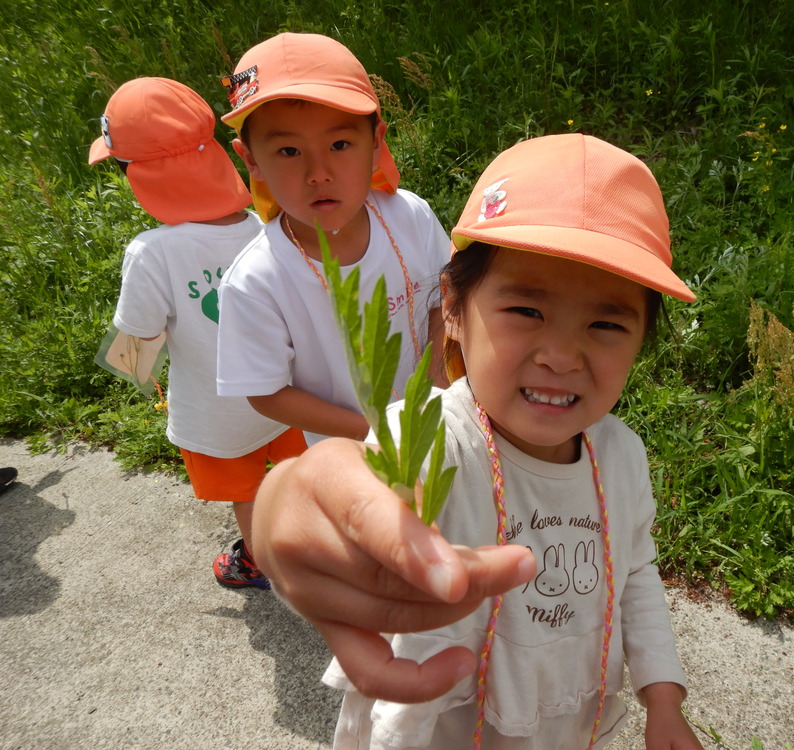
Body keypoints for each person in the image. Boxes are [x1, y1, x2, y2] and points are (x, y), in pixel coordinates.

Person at [256, 134, 704, 749]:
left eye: (605, 323)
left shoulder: (622, 455)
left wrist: (663, 698)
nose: (561, 356)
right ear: (456, 309)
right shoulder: (432, 438)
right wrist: (291, 498)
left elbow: (636, 573)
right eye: (525, 310)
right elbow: (348, 491)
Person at [89, 77, 307, 591]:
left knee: (248, 492)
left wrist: (139, 377)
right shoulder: (260, 225)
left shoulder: (153, 251)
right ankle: (310, 540)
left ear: (141, 179)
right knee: (293, 477)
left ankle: (262, 564)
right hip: (288, 392)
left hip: (216, 411)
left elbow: (137, 340)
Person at [215, 32, 451, 449]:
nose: (318, 172)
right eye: (289, 151)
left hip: (441, 421)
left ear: (376, 143)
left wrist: (436, 386)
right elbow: (266, 391)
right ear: (251, 159)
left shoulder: (410, 216)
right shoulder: (255, 281)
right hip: (347, 453)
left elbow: (443, 300)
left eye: (340, 144)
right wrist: (376, 433)